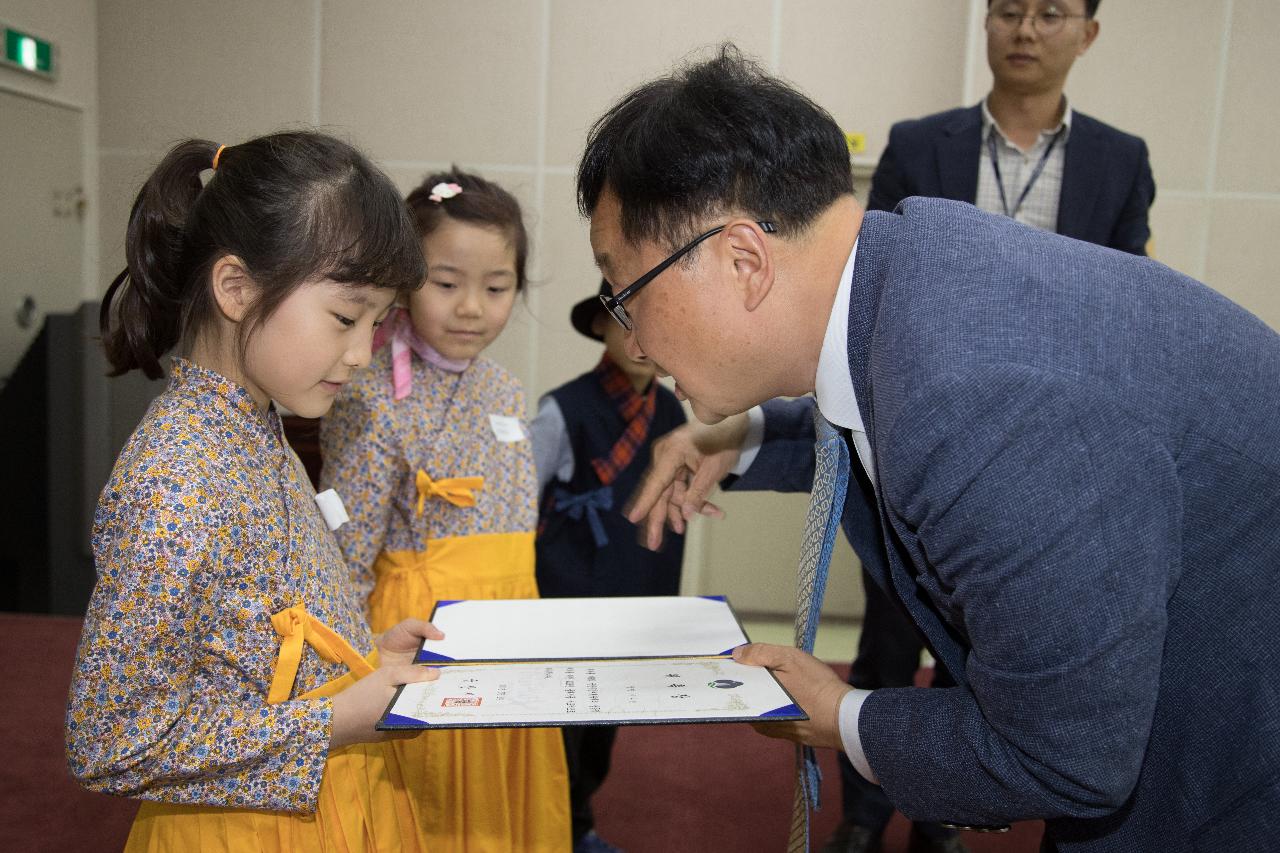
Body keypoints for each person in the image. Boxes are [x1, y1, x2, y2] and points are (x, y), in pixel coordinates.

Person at [577, 45, 1280, 853]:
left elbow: (1066, 756)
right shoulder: (913, 276)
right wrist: (743, 436)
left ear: (743, 260)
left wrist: (842, 714)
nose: (629, 333)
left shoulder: (973, 393)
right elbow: (872, 411)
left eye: (623, 292)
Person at [829, 2, 1155, 848]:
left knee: (982, 658)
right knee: (889, 640)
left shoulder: (1120, 161)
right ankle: (862, 822)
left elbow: (1126, 300)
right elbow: (871, 278)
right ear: (986, 26)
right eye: (1008, 9)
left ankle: (940, 818)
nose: (1025, 28)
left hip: (1052, 455)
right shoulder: (920, 142)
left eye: (1051, 13)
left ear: (1087, 33)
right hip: (920, 440)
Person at [66, 131, 445, 851]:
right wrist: (332, 719)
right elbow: (109, 739)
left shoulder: (255, 422)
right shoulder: (173, 480)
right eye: (344, 317)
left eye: (377, 322)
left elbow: (248, 640)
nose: (362, 353)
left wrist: (360, 657)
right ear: (236, 288)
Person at [319, 168, 571, 852]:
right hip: (423, 635)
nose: (472, 307)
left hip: (510, 629)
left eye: (496, 287)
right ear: (404, 277)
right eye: (446, 281)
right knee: (429, 806)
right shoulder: (370, 396)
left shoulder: (504, 388)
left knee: (501, 796)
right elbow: (343, 551)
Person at [530, 279, 688, 853]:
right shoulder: (563, 408)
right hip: (570, 593)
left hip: (637, 588)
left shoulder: (674, 411)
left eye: (652, 319)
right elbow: (521, 499)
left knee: (606, 719)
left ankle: (581, 820)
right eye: (624, 319)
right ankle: (562, 828)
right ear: (598, 326)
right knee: (561, 723)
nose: (639, 336)